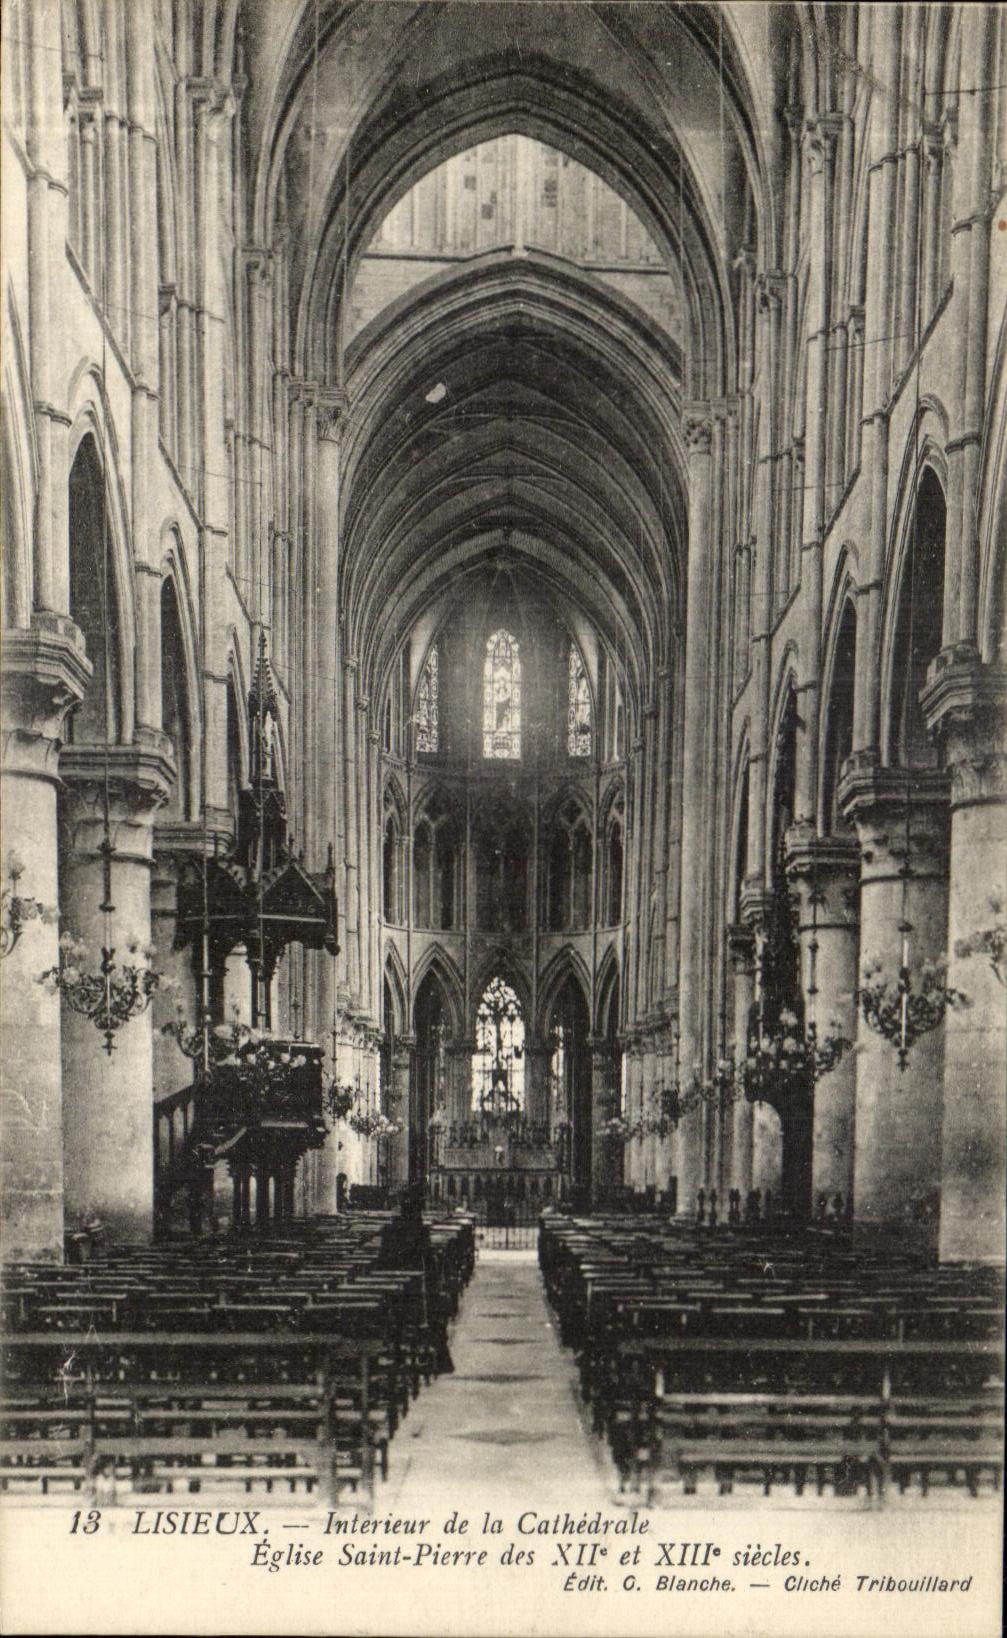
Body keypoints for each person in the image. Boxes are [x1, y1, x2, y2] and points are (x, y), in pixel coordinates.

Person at [376, 1185, 455, 1374]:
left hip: (390, 1297)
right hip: (414, 1299)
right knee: (439, 1303)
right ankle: (440, 1355)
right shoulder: (420, 1232)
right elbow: (428, 1264)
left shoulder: (389, 1231)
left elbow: (381, 1262)